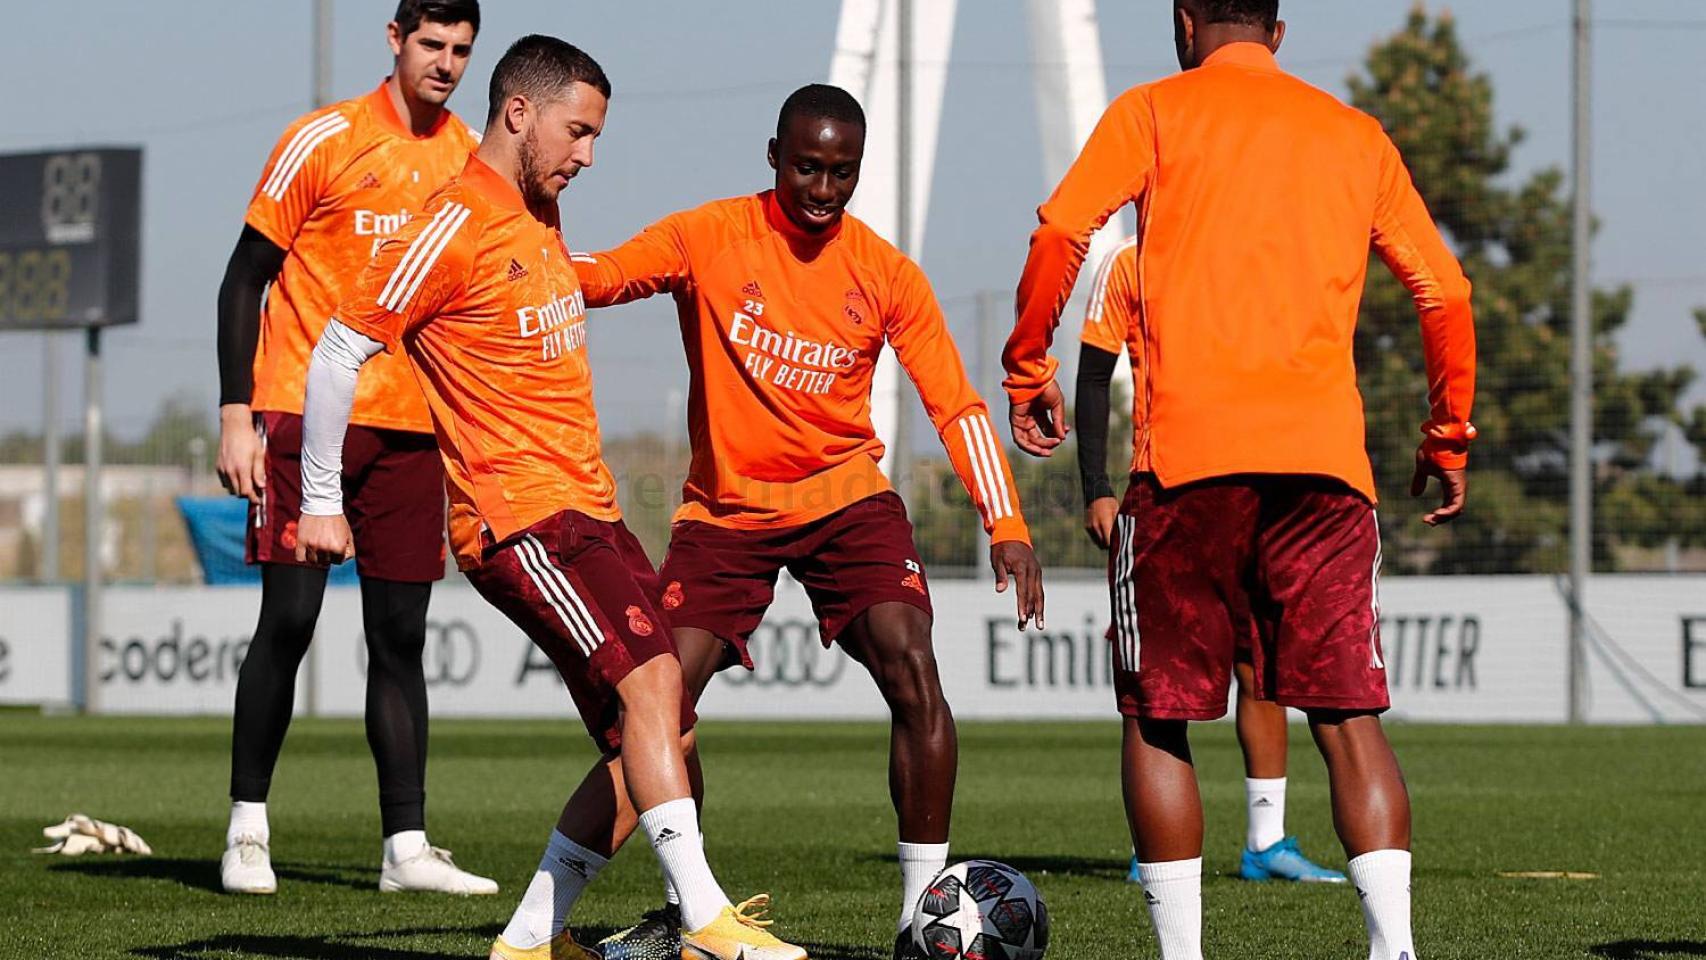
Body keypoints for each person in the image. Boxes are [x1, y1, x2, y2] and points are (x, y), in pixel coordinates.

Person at [293, 35, 807, 960]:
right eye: (578, 131)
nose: (587, 155)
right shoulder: (450, 221)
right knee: (653, 685)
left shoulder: (540, 214)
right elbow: (337, 350)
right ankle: (706, 922)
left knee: (663, 739)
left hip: (590, 511)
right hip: (518, 519)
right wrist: (320, 498)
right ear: (519, 114)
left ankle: (532, 939)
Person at [1003, 1, 1477, 957]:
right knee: (1347, 716)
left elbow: (1061, 232)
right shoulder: (1355, 136)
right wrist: (1448, 432)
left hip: (1186, 471)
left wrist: (1028, 367)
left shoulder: (1152, 111)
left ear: (1184, 22)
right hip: (1327, 473)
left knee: (1160, 716)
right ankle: (1396, 948)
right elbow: (1446, 290)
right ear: (1280, 29)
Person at [569, 84, 1045, 960]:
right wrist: (518, 244)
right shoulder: (707, 236)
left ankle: (918, 922)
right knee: (659, 703)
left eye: (842, 173)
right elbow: (596, 278)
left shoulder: (885, 270)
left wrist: (1004, 520)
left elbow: (956, 403)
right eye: (807, 168)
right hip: (725, 514)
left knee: (914, 669)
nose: (824, 189)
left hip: (846, 503)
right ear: (773, 156)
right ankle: (691, 914)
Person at [213, 0, 493, 896]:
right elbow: (244, 277)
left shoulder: (474, 157)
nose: (445, 63)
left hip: (416, 430)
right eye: (431, 45)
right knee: (289, 621)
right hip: (304, 413)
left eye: (460, 50)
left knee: (400, 637)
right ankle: (247, 832)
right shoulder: (323, 138)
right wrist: (234, 411)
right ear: (395, 40)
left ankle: (405, 850)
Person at [1076, 238, 1346, 886]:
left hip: (1262, 489)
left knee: (1262, 669)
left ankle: (1266, 841)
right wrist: (1097, 486)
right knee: (1160, 685)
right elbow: (1092, 373)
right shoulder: (1128, 261)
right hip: (1166, 492)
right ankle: (1156, 849)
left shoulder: (1258, 249)